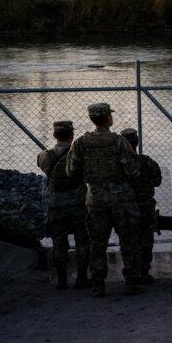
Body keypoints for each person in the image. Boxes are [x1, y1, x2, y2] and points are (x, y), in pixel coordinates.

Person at [65, 103, 143, 297]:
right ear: (108, 118)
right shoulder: (119, 142)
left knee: (97, 242)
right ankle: (131, 282)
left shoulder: (80, 143)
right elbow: (133, 171)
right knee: (128, 240)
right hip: (121, 199)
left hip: (96, 198)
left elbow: (71, 171)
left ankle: (98, 284)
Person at [36, 120, 89, 290]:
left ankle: (61, 281)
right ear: (72, 135)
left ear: (54, 135)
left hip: (56, 207)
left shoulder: (45, 156)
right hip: (78, 206)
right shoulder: (79, 156)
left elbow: (42, 167)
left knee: (59, 243)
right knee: (82, 241)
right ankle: (81, 278)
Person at [119, 128, 162, 284]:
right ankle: (144, 272)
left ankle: (130, 274)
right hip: (145, 206)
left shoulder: (117, 165)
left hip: (125, 207)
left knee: (128, 240)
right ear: (136, 142)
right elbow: (157, 181)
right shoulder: (147, 161)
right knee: (146, 239)